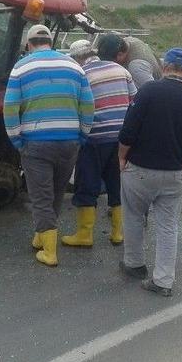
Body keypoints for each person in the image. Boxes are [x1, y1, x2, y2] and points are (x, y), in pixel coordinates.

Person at [118, 48, 182, 296]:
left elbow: (128, 130)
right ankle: (163, 281)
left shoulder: (147, 91)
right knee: (168, 226)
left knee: (134, 216)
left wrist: (122, 158)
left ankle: (134, 264)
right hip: (173, 174)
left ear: (165, 66)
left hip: (140, 170)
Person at [4, 25, 94, 267]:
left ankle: (50, 252)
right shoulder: (73, 66)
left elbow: (10, 108)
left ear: (29, 44)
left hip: (36, 143)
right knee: (55, 191)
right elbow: (88, 105)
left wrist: (16, 140)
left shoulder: (21, 67)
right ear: (50, 42)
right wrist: (82, 136)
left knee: (40, 197)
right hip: (69, 142)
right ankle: (40, 236)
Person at [61, 38, 137, 247]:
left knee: (88, 183)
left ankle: (85, 235)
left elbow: (77, 107)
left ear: (77, 59)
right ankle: (117, 233)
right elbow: (134, 103)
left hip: (94, 138)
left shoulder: (82, 74)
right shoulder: (123, 71)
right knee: (116, 183)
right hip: (120, 140)